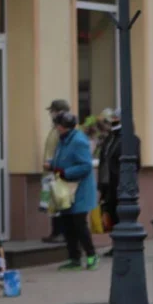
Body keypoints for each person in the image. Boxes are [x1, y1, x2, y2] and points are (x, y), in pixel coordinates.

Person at [50, 111, 99, 270]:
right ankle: (74, 258)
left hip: (79, 191)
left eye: (57, 125)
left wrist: (66, 172)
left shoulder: (78, 141)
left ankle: (91, 255)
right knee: (67, 224)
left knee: (79, 224)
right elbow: (63, 158)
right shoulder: (63, 140)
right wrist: (53, 166)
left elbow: (85, 166)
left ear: (64, 126)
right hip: (66, 191)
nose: (56, 128)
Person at [42, 99, 71, 243]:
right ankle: (55, 232)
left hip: (57, 171)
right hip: (50, 171)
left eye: (52, 111)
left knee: (59, 203)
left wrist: (54, 166)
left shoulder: (64, 130)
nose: (51, 114)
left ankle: (60, 233)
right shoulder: (55, 128)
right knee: (52, 204)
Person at [97, 108, 123, 256]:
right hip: (107, 183)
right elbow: (103, 162)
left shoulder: (126, 138)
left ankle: (121, 245)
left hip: (119, 184)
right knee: (109, 214)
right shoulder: (108, 140)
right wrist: (100, 185)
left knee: (120, 215)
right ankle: (115, 245)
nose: (106, 126)